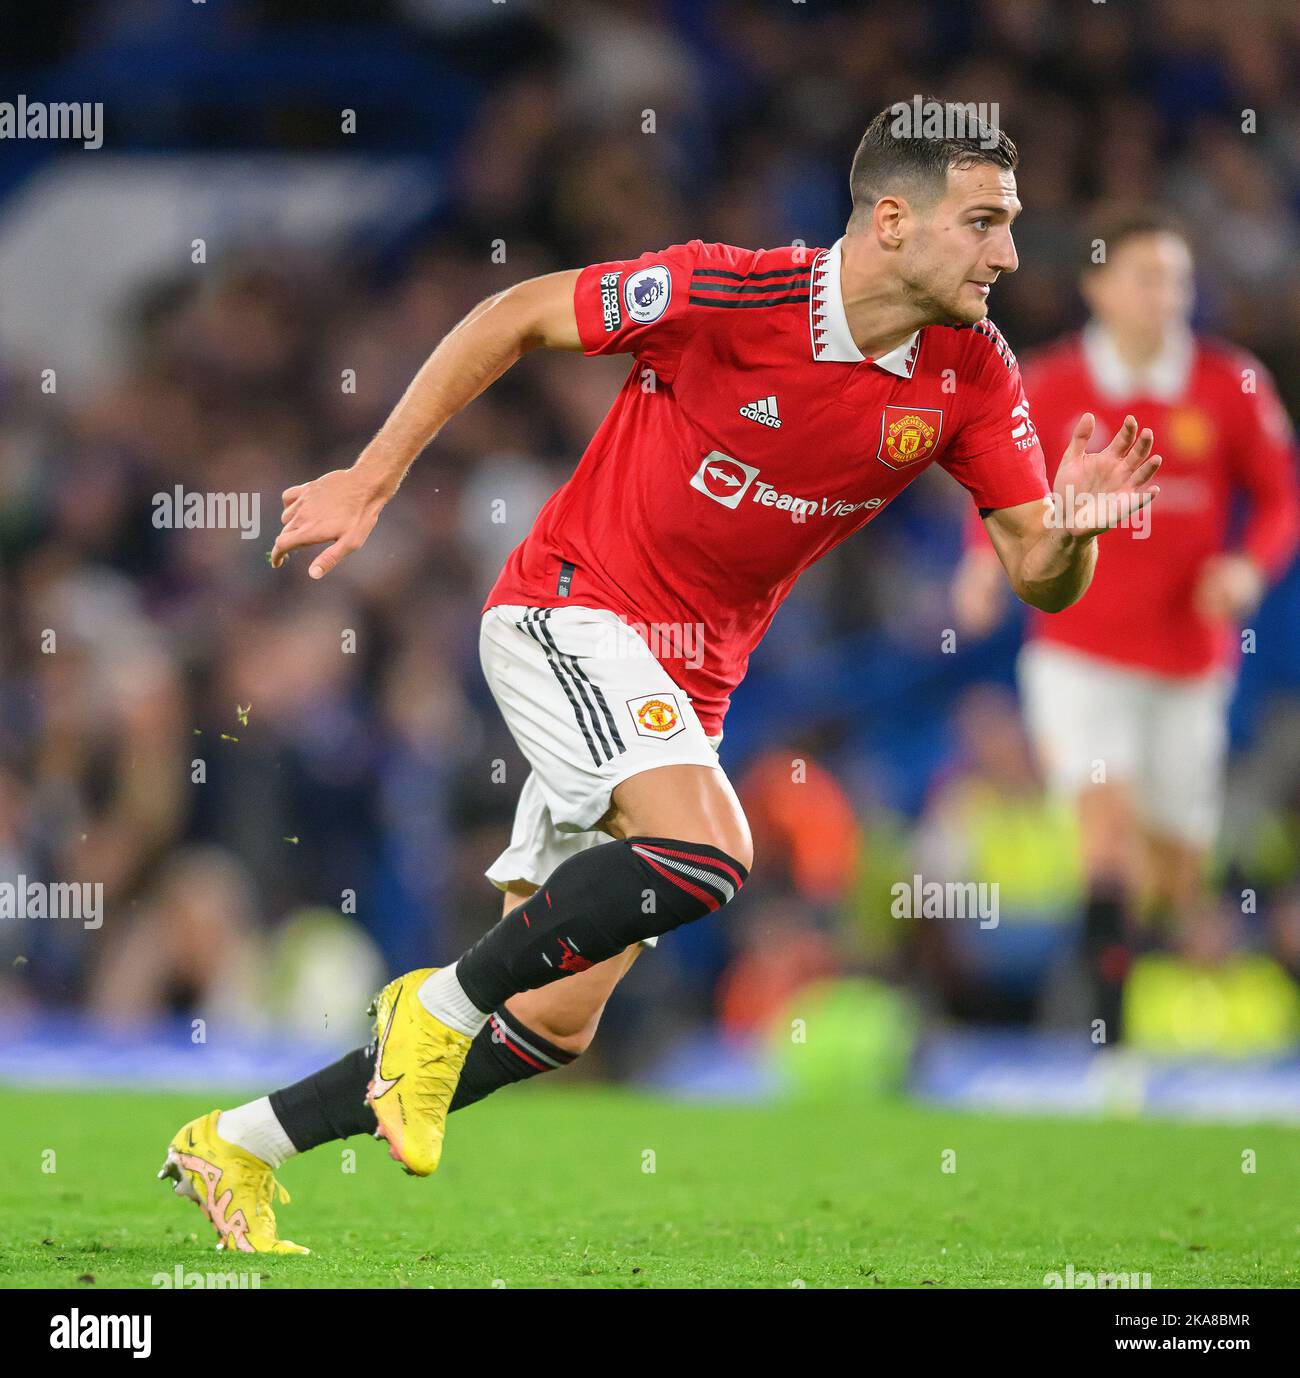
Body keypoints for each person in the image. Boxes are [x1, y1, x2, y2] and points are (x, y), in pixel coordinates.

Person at [160, 101, 1162, 1252]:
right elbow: (515, 312)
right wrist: (374, 477)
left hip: (683, 691)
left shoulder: (971, 371)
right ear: (893, 220)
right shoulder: (731, 296)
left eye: (1012, 224)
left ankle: (241, 1141)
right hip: (565, 610)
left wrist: (1076, 528)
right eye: (984, 222)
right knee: (709, 852)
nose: (1010, 254)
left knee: (552, 1022)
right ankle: (428, 1008)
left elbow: (1037, 570)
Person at [952, 205, 1299, 1039]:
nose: (1166, 296)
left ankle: (1135, 992)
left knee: (1173, 870)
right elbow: (997, 478)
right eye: (1146, 277)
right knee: (1103, 831)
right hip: (1078, 653)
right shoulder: (1047, 383)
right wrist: (979, 561)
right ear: (1098, 285)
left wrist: (1248, 567)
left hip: (1189, 661)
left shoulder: (1231, 383)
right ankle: (1106, 1047)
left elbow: (1281, 496)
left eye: (1178, 279)